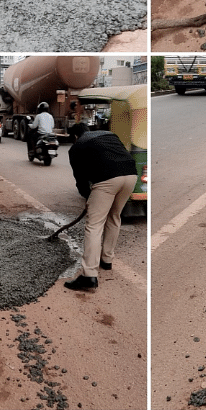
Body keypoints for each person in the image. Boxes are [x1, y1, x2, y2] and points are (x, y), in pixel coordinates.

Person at [62, 122, 138, 291]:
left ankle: (89, 275)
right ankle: (107, 259)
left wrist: (88, 197)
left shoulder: (76, 147)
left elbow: (80, 179)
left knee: (94, 225)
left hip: (108, 179)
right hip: (131, 175)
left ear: (74, 137)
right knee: (114, 217)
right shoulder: (108, 134)